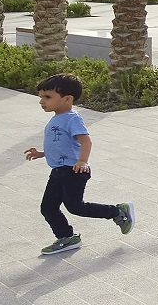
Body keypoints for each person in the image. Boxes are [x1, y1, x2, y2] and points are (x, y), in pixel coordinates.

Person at [25, 73, 134, 257]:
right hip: (59, 171)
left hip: (74, 170)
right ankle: (67, 237)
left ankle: (117, 212)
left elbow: (86, 142)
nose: (42, 101)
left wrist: (82, 161)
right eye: (41, 97)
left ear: (67, 99)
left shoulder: (72, 118)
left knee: (75, 206)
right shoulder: (57, 117)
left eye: (48, 97)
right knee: (48, 207)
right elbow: (63, 145)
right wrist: (42, 154)